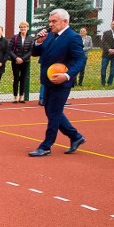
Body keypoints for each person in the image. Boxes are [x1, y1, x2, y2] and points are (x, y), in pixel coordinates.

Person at [29, 9, 87, 157]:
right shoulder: (50, 36)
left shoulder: (73, 37)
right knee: (51, 111)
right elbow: (36, 53)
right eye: (50, 21)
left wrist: (67, 75)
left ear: (65, 22)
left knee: (54, 113)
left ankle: (46, 146)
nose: (50, 24)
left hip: (61, 82)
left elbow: (80, 60)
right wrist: (38, 42)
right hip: (48, 80)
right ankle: (75, 137)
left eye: (54, 21)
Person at [8, 21, 34, 103]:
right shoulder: (15, 37)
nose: (23, 28)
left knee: (23, 78)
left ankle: (21, 96)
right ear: (19, 28)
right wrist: (16, 58)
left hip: (25, 61)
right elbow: (9, 49)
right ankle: (15, 96)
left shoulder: (31, 38)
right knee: (16, 78)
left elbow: (31, 50)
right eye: (21, 27)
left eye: (25, 27)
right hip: (15, 61)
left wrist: (23, 59)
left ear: (27, 28)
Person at [100, 20, 114, 86]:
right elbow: (103, 42)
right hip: (106, 54)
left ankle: (110, 83)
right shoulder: (106, 33)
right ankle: (103, 83)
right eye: (113, 24)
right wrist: (109, 49)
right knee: (103, 69)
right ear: (111, 25)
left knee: (112, 70)